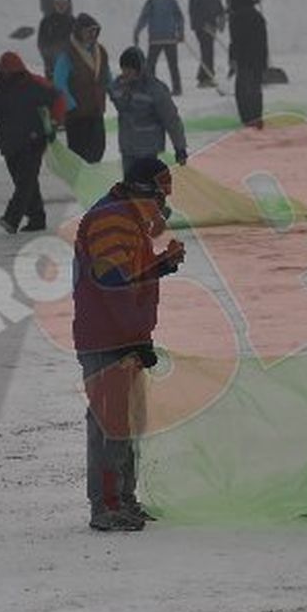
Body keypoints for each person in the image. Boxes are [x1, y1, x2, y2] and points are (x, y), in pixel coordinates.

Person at [72, 157, 186, 531]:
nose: (164, 204)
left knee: (127, 422)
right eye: (161, 195)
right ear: (144, 191)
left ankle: (124, 498)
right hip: (108, 338)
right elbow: (113, 281)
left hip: (123, 335)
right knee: (110, 421)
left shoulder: (129, 219)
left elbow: (126, 276)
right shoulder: (112, 220)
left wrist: (160, 266)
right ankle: (106, 506)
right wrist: (132, 340)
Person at [0, 52, 65, 234]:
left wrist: (54, 122)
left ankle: (11, 219)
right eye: (4, 73)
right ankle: (37, 218)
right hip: (10, 144)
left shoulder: (36, 85)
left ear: (19, 71)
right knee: (26, 183)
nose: (7, 76)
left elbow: (58, 98)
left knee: (25, 183)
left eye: (10, 72)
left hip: (34, 141)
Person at [109, 46, 187, 179]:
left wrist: (180, 148)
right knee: (130, 188)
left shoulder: (155, 89)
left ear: (139, 68)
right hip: (128, 148)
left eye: (130, 69)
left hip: (148, 150)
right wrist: (124, 91)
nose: (126, 72)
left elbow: (171, 120)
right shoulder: (119, 85)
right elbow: (115, 98)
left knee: (145, 188)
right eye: (124, 68)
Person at [53, 13, 112, 163]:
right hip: (76, 114)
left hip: (96, 110)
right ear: (79, 31)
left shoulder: (101, 52)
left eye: (95, 31)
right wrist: (70, 104)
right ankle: (79, 183)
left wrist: (117, 92)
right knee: (79, 154)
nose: (92, 34)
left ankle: (92, 182)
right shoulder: (67, 54)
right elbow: (59, 83)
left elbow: (107, 76)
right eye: (88, 31)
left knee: (98, 149)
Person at [134, 0, 186, 96]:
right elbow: (179, 18)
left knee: (151, 65)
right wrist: (181, 32)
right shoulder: (171, 1)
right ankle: (177, 88)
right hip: (170, 39)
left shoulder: (151, 2)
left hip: (155, 40)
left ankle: (151, 89)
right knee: (173, 65)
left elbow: (143, 19)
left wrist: (137, 33)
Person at [229, 0, 268, 130]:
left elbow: (235, 42)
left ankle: (247, 119)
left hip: (243, 60)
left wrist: (233, 59)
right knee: (255, 90)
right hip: (258, 59)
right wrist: (264, 63)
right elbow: (264, 42)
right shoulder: (258, 17)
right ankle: (257, 118)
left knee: (242, 91)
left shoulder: (237, 18)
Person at [188, 0, 226, 88]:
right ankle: (206, 77)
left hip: (212, 27)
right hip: (202, 28)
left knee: (209, 51)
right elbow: (193, 12)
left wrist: (221, 23)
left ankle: (205, 75)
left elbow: (221, 10)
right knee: (206, 51)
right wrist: (201, 24)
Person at [37, 0, 75, 79]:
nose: (61, 6)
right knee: (52, 91)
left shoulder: (73, 22)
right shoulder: (46, 22)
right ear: (54, 4)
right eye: (58, 4)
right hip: (51, 66)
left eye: (64, 4)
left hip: (70, 66)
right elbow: (42, 44)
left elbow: (77, 43)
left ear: (67, 5)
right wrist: (49, 61)